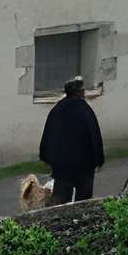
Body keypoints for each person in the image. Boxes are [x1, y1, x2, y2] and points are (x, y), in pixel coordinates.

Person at [39, 75, 105, 204]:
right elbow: (95, 136)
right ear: (80, 92)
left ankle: (59, 222)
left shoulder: (57, 110)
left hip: (62, 167)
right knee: (83, 202)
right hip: (84, 166)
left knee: (61, 202)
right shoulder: (85, 110)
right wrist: (98, 160)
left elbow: (48, 136)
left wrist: (47, 159)